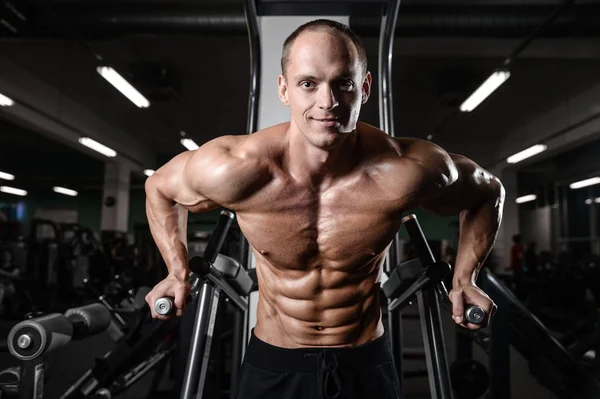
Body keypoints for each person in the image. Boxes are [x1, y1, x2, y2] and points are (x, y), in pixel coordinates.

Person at [144, 19, 504, 399]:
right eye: (308, 84)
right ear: (284, 90)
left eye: (343, 83)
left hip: (364, 360)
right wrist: (175, 272)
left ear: (364, 88)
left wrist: (466, 279)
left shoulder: (406, 170)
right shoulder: (236, 168)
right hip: (275, 359)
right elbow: (159, 188)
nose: (327, 102)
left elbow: (487, 192)